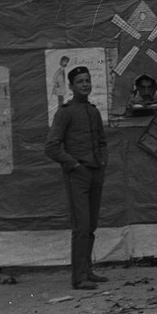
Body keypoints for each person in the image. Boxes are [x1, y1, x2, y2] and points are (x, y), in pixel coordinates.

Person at [44, 66, 108, 290]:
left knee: (90, 225)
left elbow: (101, 142)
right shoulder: (65, 112)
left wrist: (101, 163)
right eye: (80, 81)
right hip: (78, 176)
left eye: (88, 80)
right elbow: (51, 147)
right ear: (71, 86)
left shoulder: (93, 112)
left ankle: (88, 270)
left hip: (95, 173)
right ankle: (78, 277)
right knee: (80, 227)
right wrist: (75, 165)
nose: (85, 85)